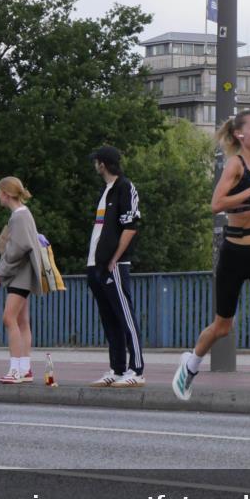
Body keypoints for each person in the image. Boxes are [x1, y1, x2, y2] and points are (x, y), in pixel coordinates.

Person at [171, 110, 250, 415]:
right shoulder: (236, 165)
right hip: (233, 253)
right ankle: (190, 366)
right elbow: (217, 205)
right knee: (223, 326)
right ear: (240, 134)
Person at [85, 145, 145, 388]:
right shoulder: (105, 190)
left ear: (103, 164)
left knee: (125, 316)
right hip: (96, 264)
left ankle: (137, 369)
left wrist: (115, 258)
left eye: (96, 161)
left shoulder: (124, 187)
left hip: (114, 264)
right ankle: (117, 368)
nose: (94, 165)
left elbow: (131, 226)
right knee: (109, 318)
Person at [0, 177, 42, 384]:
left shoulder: (18, 217)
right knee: (22, 321)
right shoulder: (23, 214)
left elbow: (16, 250)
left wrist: (0, 272)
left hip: (20, 275)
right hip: (25, 273)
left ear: (6, 194)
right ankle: (25, 369)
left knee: (8, 318)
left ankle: (14, 370)